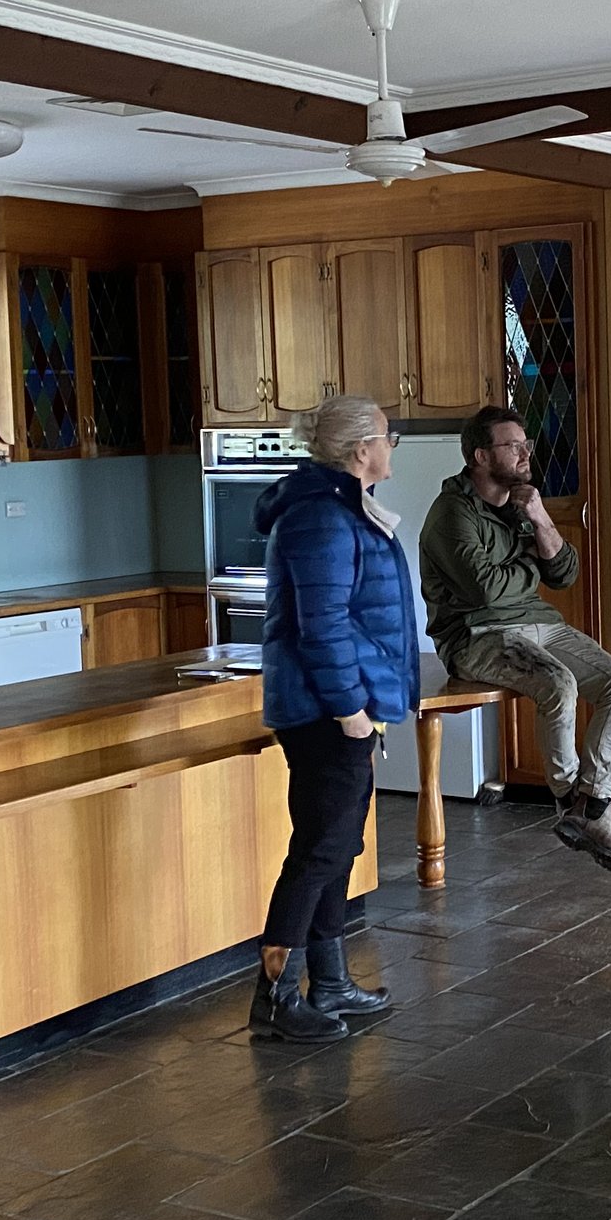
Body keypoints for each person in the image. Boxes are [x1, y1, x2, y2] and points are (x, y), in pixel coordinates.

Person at [249, 395, 419, 1043]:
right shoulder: (320, 517)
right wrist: (350, 707)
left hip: (343, 706)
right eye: (386, 435)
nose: (391, 444)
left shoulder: (343, 506)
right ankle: (275, 997)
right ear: (359, 450)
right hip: (324, 710)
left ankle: (330, 982)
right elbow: (321, 627)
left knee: (338, 844)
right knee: (319, 849)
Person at [420, 406, 611, 874]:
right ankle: (568, 804)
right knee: (558, 683)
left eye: (526, 444)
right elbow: (482, 589)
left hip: (541, 623)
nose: (525, 453)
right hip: (478, 635)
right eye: (512, 445)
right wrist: (528, 570)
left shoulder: (522, 503)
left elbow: (564, 573)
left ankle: (594, 802)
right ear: (481, 455)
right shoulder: (451, 513)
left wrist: (541, 519)